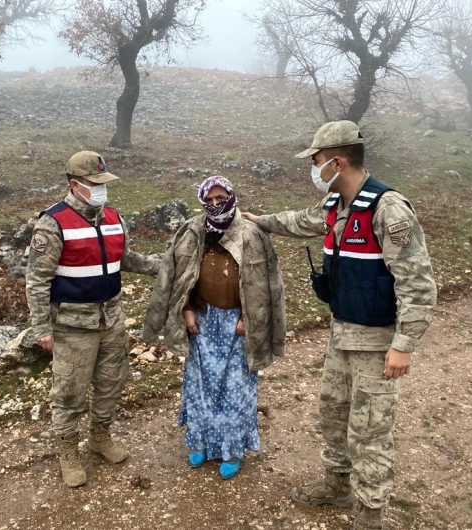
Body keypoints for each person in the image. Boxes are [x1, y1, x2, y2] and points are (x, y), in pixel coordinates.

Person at [243, 121, 437, 529]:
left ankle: (369, 516)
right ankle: (337, 486)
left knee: (369, 433)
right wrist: (258, 220)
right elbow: (299, 221)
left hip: (376, 343)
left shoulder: (389, 210)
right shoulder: (335, 206)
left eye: (315, 162)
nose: (313, 171)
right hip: (341, 334)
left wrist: (404, 345)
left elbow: (418, 284)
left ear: (337, 161)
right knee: (333, 417)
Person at [26, 150, 161, 488]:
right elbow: (37, 280)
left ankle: (100, 437)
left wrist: (166, 268)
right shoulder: (53, 222)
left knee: (111, 383)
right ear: (75, 185)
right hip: (72, 326)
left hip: (111, 319)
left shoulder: (114, 216)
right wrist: (41, 327)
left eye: (104, 182)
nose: (102, 189)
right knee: (70, 392)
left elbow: (126, 259)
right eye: (94, 183)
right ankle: (67, 452)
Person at [143, 176, 286, 480]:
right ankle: (201, 443)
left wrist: (252, 317)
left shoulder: (251, 234)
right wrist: (185, 308)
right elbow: (177, 275)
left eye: (221, 198)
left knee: (234, 388)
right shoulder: (193, 231)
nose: (215, 205)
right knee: (201, 386)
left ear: (232, 196)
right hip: (203, 322)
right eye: (209, 200)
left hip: (238, 323)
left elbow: (268, 284)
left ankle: (232, 449)